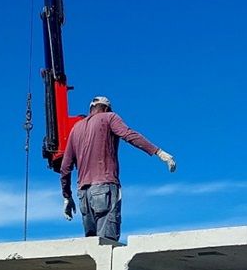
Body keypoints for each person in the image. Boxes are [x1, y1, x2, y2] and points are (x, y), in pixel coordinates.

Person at [60, 95, 177, 242]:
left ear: (91, 109)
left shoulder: (75, 129)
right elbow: (129, 134)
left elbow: (65, 167)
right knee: (107, 244)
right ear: (106, 108)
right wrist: (158, 152)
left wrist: (67, 197)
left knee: (91, 245)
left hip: (83, 195)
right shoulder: (109, 117)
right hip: (104, 187)